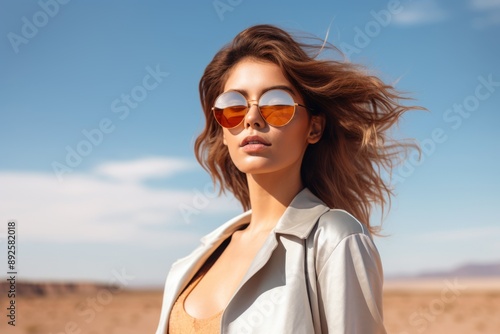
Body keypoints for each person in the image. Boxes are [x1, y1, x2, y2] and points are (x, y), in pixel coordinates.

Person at [156, 24, 418, 333]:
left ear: (314, 128)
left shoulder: (335, 240)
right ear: (223, 133)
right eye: (233, 108)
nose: (251, 118)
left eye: (276, 105)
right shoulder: (191, 263)